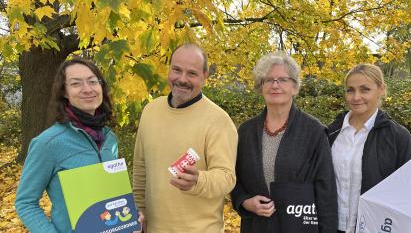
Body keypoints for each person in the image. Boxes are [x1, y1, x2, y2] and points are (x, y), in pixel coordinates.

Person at [132, 43, 238, 232]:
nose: (182, 79)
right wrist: (140, 211)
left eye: (192, 73)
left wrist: (198, 181)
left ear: (204, 77)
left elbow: (226, 177)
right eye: (177, 70)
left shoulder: (219, 121)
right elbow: (141, 170)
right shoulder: (150, 111)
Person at [231, 52, 337, 232]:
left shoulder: (314, 132)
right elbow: (233, 178)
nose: (275, 85)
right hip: (257, 226)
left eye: (282, 79)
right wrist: (245, 202)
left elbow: (325, 190)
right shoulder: (246, 131)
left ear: (295, 87)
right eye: (268, 80)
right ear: (261, 86)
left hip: (298, 226)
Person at [15, 57, 118, 233]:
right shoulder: (48, 143)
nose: (87, 89)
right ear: (64, 92)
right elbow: (25, 203)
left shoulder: (110, 138)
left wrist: (129, 218)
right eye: (76, 84)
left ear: (101, 86)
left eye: (93, 81)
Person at [327, 63, 411, 233]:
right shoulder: (331, 133)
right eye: (350, 90)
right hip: (332, 226)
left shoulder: (397, 136)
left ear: (381, 89)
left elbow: (409, 190)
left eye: (365, 89)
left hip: (374, 227)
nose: (356, 97)